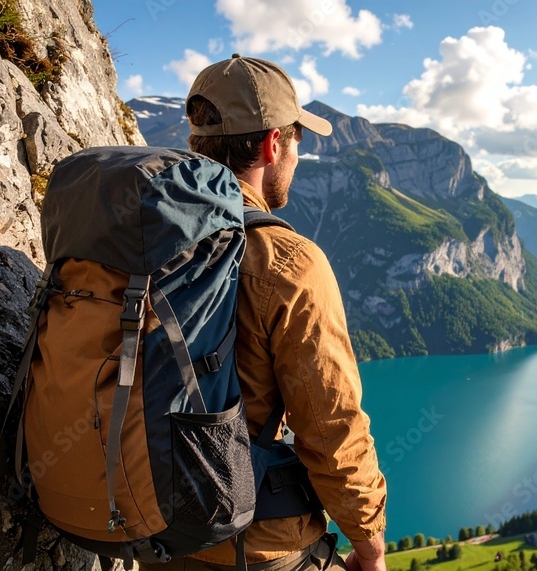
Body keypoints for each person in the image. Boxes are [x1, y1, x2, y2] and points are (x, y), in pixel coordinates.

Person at [141, 54, 387, 571]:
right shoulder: (290, 262)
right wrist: (370, 545)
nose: (296, 156)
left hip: (151, 521)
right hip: (249, 541)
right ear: (275, 143)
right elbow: (330, 426)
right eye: (296, 140)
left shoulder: (139, 234)